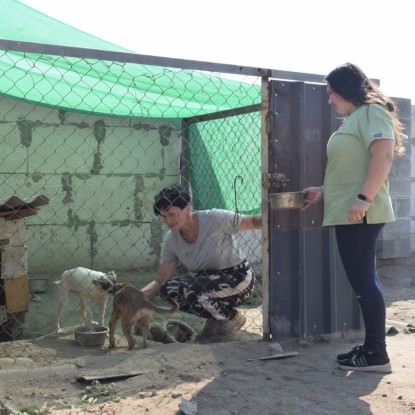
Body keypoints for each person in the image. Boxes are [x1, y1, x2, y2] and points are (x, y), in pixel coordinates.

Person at [302, 63, 405, 373]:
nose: (330, 99)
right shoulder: (356, 118)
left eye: (332, 93)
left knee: (364, 282)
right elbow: (351, 169)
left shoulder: (373, 112)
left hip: (360, 213)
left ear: (347, 90)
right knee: (362, 281)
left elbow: (383, 156)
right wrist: (323, 190)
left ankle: (377, 354)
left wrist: (363, 199)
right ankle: (372, 346)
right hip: (348, 211)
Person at [142, 185, 262, 343]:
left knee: (193, 291)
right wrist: (134, 297)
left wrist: (279, 213)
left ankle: (231, 318)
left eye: (172, 214)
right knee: (167, 290)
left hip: (238, 278)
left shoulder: (214, 218)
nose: (168, 221)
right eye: (163, 216)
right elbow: (159, 281)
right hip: (205, 284)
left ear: (188, 208)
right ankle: (217, 321)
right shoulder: (171, 239)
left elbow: (252, 221)